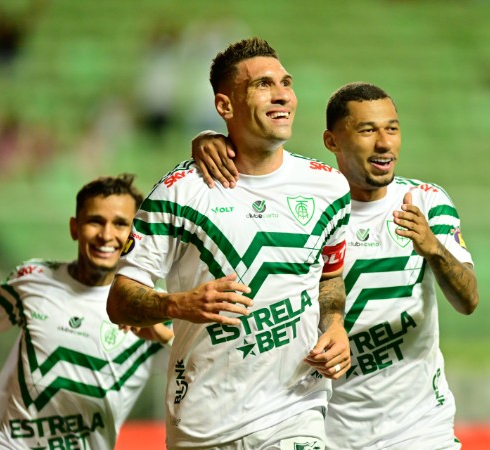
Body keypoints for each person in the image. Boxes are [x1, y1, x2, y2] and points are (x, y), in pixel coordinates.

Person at [192, 81, 479, 449]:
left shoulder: (426, 201)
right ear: (332, 142)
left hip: (423, 431)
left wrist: (434, 249)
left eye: (392, 128)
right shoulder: (309, 211)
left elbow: (468, 300)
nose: (384, 143)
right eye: (367, 130)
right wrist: (207, 140)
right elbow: (255, 167)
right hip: (331, 434)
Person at [106, 37, 352, 449]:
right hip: (204, 423)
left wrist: (337, 325)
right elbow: (120, 301)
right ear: (224, 106)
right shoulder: (178, 193)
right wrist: (178, 304)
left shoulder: (328, 188)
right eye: (262, 85)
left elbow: (330, 278)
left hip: (295, 410)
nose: (282, 96)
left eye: (285, 82)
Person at [0, 173, 173, 450]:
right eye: (95, 221)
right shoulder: (32, 277)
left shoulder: (148, 308)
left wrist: (165, 336)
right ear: (75, 227)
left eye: (120, 224)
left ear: (134, 236)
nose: (106, 235)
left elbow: (204, 373)